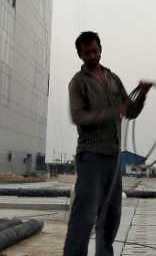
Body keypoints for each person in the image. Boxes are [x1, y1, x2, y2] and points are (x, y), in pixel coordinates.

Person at [63, 30, 150, 256]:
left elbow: (130, 111)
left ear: (100, 48)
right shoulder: (78, 82)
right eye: (86, 53)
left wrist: (141, 94)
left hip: (113, 157)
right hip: (90, 156)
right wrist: (112, 112)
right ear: (80, 55)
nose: (92, 56)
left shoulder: (113, 79)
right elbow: (78, 117)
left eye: (95, 50)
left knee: (111, 214)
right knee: (85, 214)